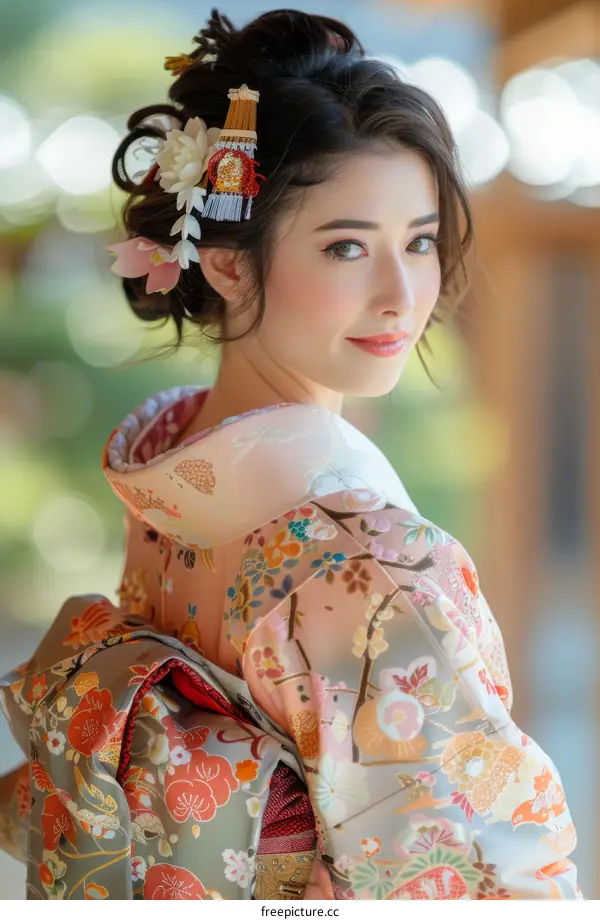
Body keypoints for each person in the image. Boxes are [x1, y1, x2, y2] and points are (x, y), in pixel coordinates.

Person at [0, 8, 583, 901]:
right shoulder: (376, 569)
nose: (403, 295)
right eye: (347, 246)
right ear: (229, 264)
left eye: (419, 242)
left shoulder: (165, 461)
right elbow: (479, 883)